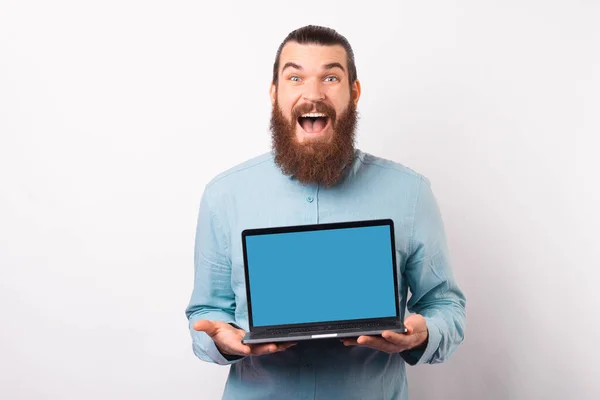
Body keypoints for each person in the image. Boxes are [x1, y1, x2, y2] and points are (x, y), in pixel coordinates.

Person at [185, 25, 466, 400]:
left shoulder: (410, 193)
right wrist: (222, 341)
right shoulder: (224, 196)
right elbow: (207, 310)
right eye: (295, 77)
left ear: (354, 92)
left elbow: (445, 305)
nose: (313, 93)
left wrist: (424, 333)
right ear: (275, 94)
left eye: (330, 77)